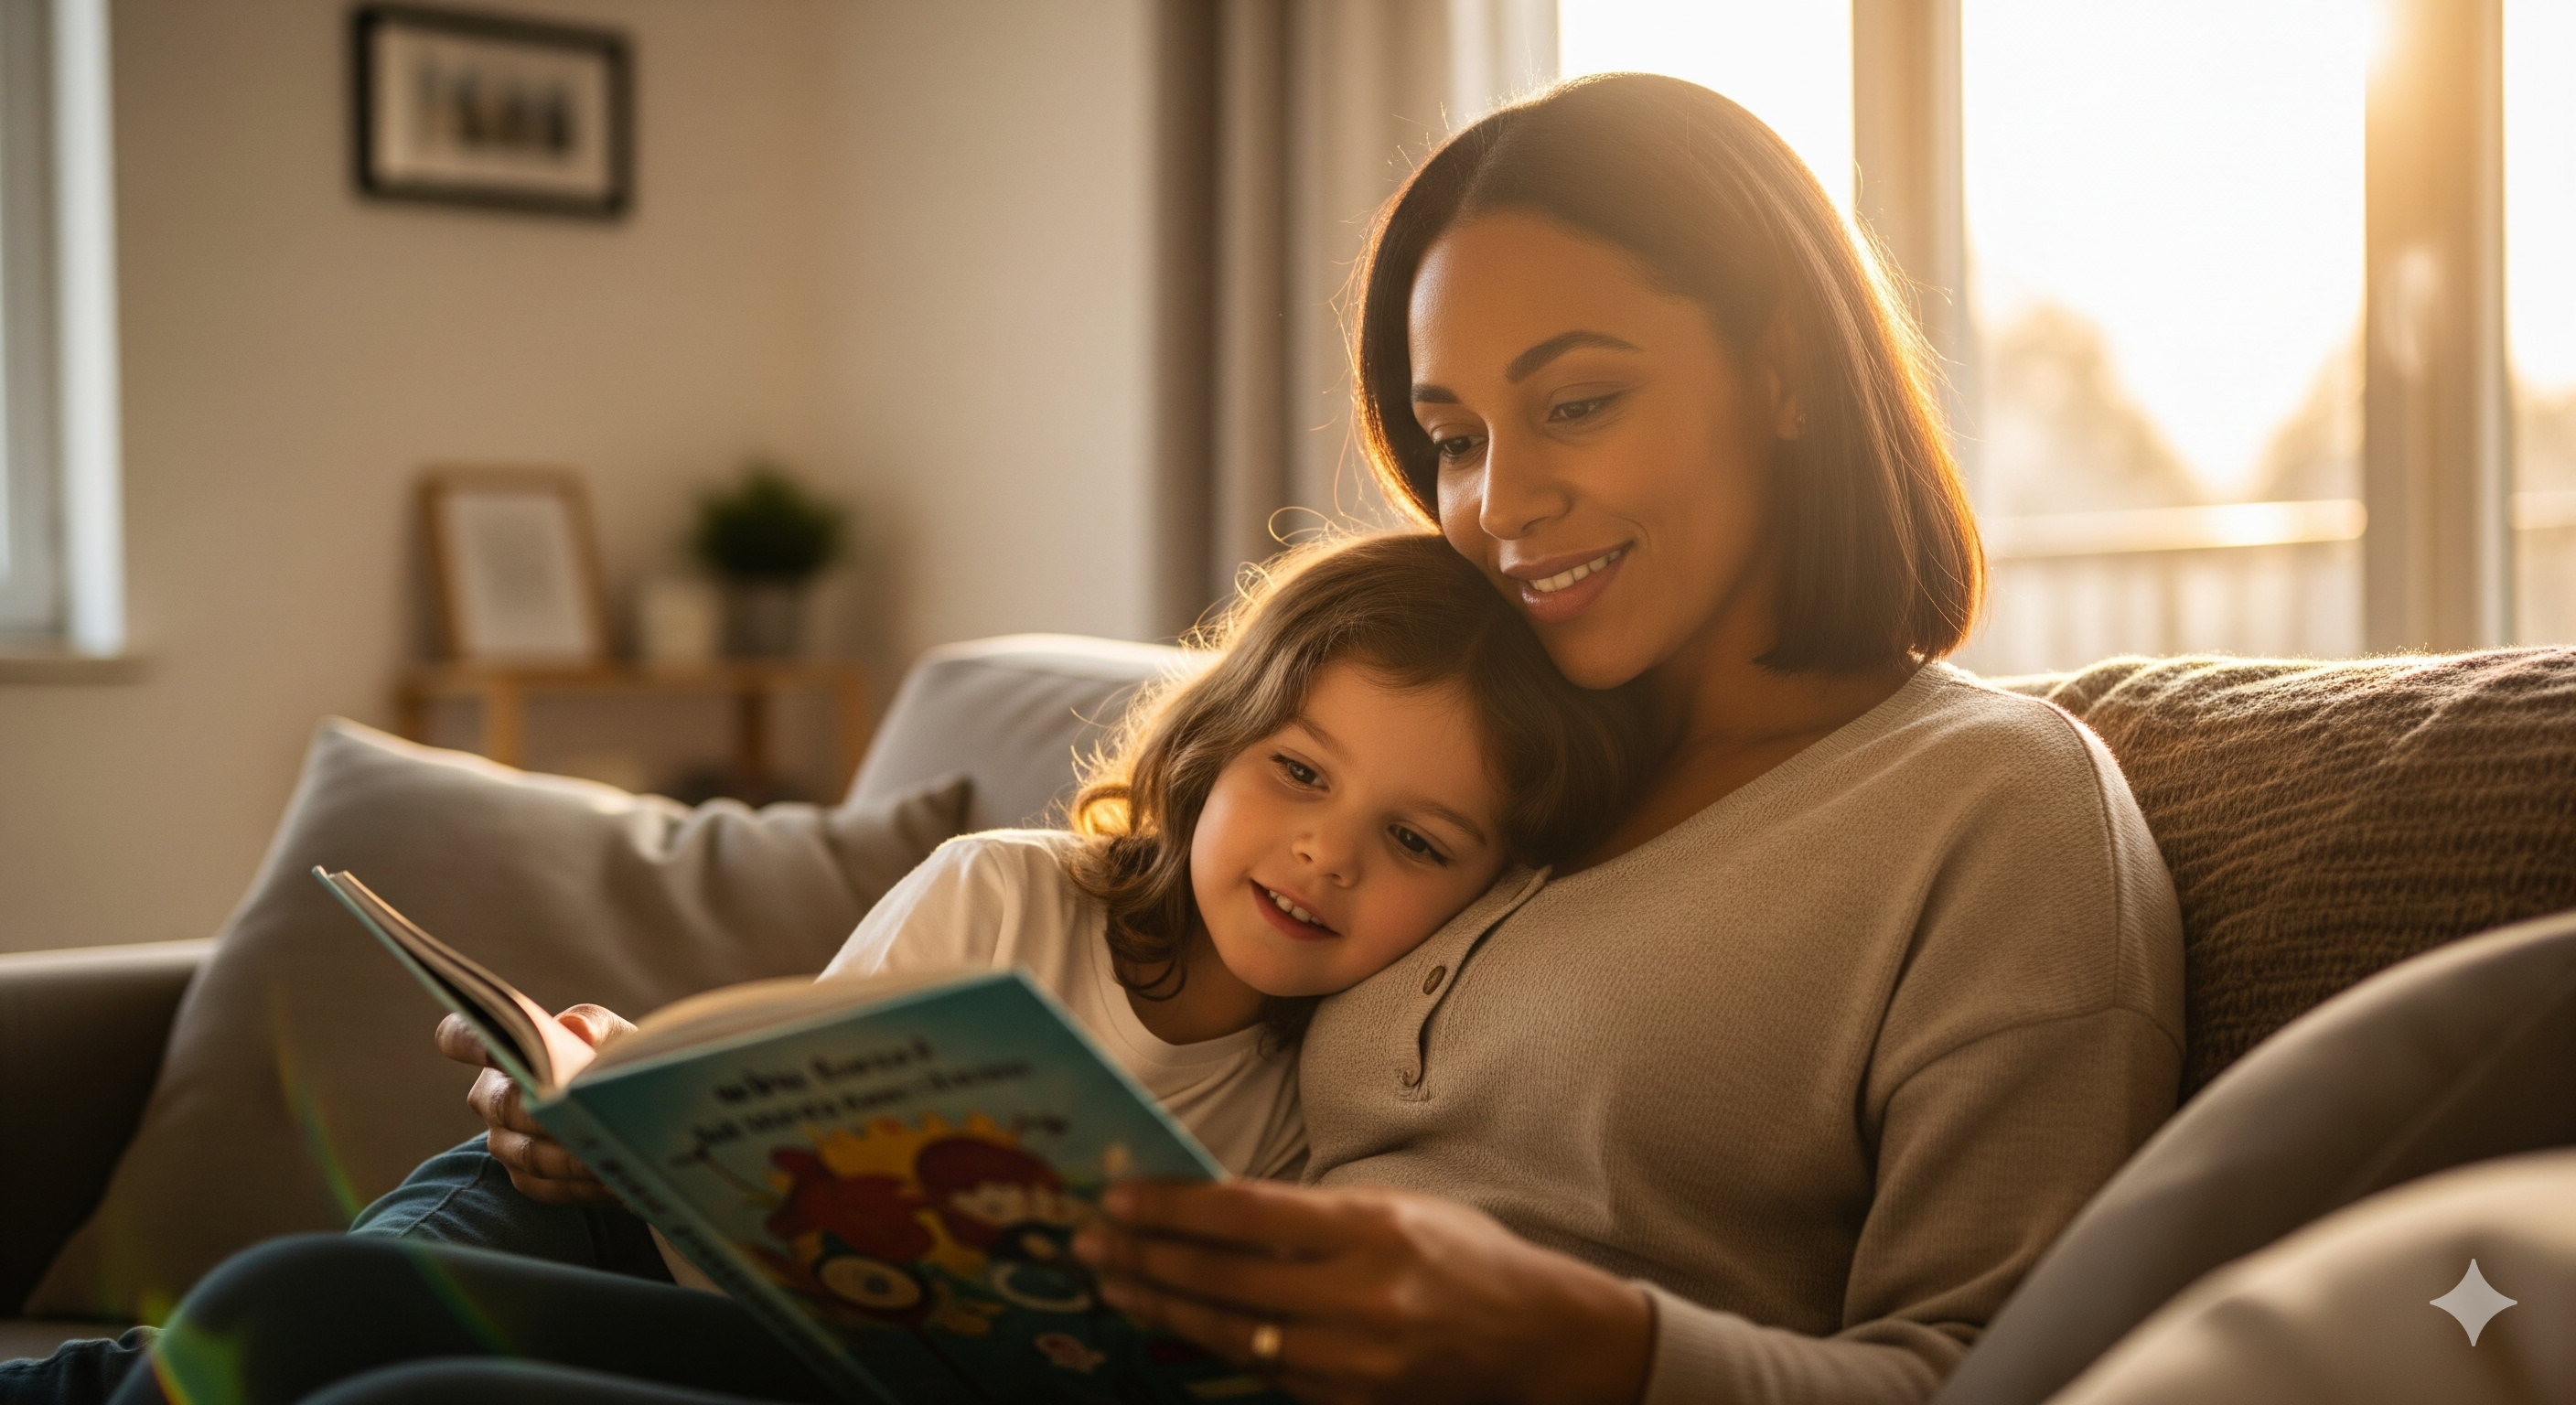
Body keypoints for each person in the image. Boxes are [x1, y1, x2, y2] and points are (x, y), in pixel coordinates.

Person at [7, 70, 2184, 1405]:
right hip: (1053, 1360)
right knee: (317, 1321)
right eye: (1447, 433)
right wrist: (696, 1114)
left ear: (1790, 370)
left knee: (343, 1372)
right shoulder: (1536, 760)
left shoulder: (1991, 810)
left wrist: (1585, 1352)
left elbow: (2025, 1370)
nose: (1499, 501)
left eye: (1580, 400)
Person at [0, 531, 1650, 1405]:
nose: (1328, 855)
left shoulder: (1327, 1105)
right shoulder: (1010, 897)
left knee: (306, 1321)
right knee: (260, 1318)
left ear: (1485, 897)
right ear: (1213, 753)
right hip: (605, 1231)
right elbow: (773, 1110)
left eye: (1419, 844)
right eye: (1299, 773)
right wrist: (611, 1099)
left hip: (811, 1361)